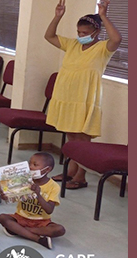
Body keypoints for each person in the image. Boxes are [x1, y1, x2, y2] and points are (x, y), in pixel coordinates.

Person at [44, 0, 122, 190]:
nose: (80, 36)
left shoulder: (103, 49)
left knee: (83, 139)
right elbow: (49, 36)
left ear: (96, 32)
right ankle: (71, 171)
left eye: (85, 33)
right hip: (66, 96)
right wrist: (58, 16)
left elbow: (117, 39)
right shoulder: (71, 44)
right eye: (79, 32)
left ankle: (81, 176)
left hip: (85, 98)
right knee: (71, 135)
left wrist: (103, 15)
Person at [0, 153, 65, 249]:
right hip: (20, 218)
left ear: (47, 169)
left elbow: (49, 210)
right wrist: (5, 196)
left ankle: (19, 230)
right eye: (29, 164)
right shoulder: (24, 180)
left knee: (60, 230)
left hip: (41, 222)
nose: (30, 167)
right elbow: (13, 197)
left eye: (35, 165)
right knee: (2, 218)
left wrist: (38, 194)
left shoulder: (54, 187)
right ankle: (37, 238)